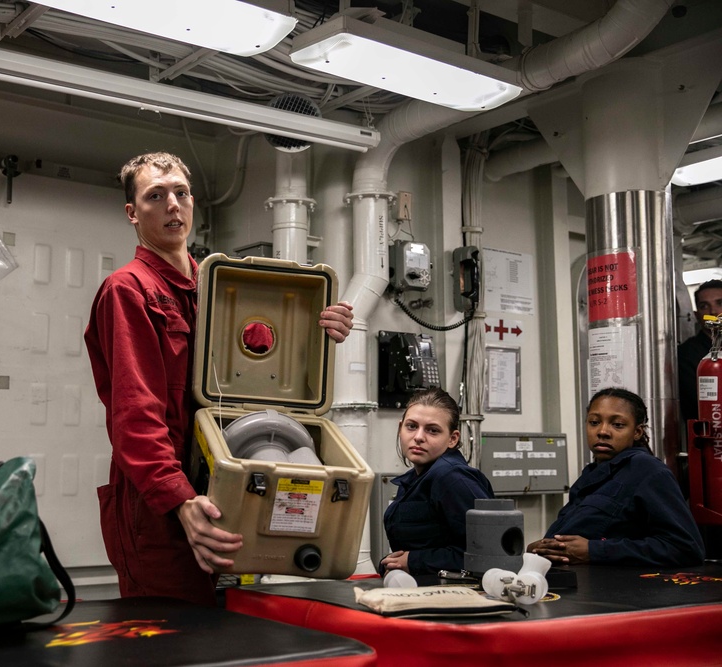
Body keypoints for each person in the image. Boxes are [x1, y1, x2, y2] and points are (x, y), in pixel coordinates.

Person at [84, 152, 355, 606]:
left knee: (227, 627)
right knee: (172, 629)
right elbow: (135, 416)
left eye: (181, 193)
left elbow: (262, 364)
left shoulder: (219, 286)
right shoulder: (127, 290)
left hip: (227, 484)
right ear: (132, 212)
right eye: (156, 196)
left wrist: (318, 328)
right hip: (163, 506)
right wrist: (179, 500)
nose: (173, 205)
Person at [527, 387, 705, 567]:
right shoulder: (591, 474)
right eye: (594, 422)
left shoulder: (647, 470)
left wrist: (594, 550)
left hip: (616, 583)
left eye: (618, 424)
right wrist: (540, 550)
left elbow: (686, 548)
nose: (602, 431)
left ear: (637, 432)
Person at [378, 387, 494, 577]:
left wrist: (414, 561)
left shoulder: (452, 478)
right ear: (400, 428)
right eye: (411, 426)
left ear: (452, 439)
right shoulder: (415, 478)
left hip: (456, 592)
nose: (418, 437)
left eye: (432, 430)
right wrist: (393, 562)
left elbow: (490, 553)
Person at [678, 279, 722, 425]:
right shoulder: (687, 355)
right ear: (697, 315)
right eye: (704, 306)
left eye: (720, 303)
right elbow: (695, 405)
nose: (713, 312)